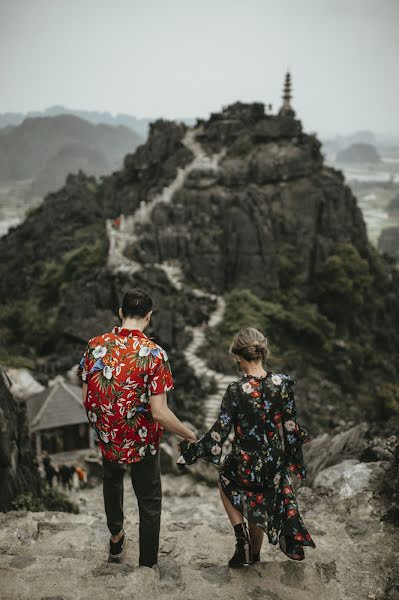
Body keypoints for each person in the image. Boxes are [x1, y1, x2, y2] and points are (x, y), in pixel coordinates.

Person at [178, 327, 316, 567]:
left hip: (245, 462)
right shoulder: (282, 384)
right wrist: (293, 464)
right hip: (272, 464)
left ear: (236, 356)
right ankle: (254, 556)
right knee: (259, 500)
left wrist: (190, 452)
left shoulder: (236, 390)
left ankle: (239, 536)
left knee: (225, 476)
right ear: (263, 351)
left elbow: (219, 434)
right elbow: (291, 427)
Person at [78, 287, 196, 567]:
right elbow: (160, 413)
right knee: (149, 500)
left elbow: (86, 398)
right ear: (149, 316)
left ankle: (116, 539)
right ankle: (147, 564)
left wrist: (106, 426)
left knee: (112, 482)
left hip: (108, 434)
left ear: (121, 313)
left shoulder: (95, 345)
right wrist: (189, 434)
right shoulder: (154, 354)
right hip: (142, 441)